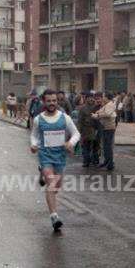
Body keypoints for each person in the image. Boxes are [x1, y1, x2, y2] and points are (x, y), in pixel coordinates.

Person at [31, 89, 80, 232]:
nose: (52, 103)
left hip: (60, 157)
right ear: (44, 102)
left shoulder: (65, 118)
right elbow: (34, 136)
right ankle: (54, 216)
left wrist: (71, 143)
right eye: (49, 101)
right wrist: (33, 145)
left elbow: (76, 133)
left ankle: (42, 172)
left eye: (54, 101)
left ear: (57, 101)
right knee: (51, 184)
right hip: (45, 155)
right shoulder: (38, 119)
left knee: (56, 187)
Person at [93, 92, 116, 171]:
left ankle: (110, 164)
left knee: (108, 147)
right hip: (105, 127)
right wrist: (97, 113)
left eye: (103, 96)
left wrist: (98, 115)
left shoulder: (110, 104)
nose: (102, 98)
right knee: (105, 146)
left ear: (107, 97)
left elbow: (107, 113)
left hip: (109, 128)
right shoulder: (107, 104)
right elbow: (100, 111)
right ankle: (107, 162)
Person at [78, 92, 100, 168]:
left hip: (95, 130)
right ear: (86, 98)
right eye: (89, 97)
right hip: (86, 130)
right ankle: (86, 161)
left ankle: (95, 161)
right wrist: (79, 132)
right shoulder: (83, 108)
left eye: (92, 97)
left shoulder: (97, 106)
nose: (91, 99)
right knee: (86, 147)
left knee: (95, 147)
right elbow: (80, 121)